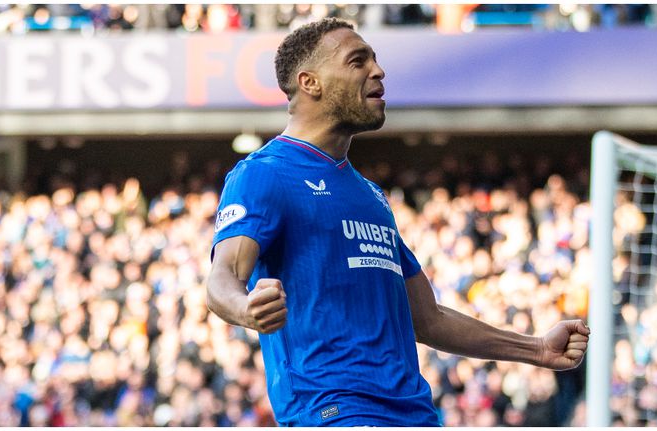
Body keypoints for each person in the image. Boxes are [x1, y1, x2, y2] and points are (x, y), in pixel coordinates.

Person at [206, 17, 590, 426]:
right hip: (334, 413)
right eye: (358, 61)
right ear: (310, 82)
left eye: (375, 59)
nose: (378, 70)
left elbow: (427, 318)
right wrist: (246, 308)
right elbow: (221, 279)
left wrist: (535, 350)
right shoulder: (264, 173)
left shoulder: (371, 196)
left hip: (415, 415)